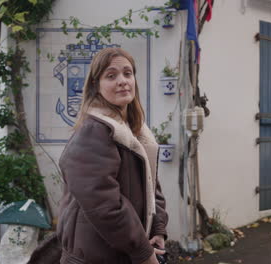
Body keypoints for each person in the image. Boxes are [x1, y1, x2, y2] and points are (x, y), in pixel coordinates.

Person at [28, 47, 169, 264]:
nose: (122, 80)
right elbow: (105, 205)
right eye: (111, 76)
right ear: (96, 85)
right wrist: (142, 251)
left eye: (127, 73)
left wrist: (157, 227)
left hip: (123, 251)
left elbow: (151, 184)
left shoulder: (136, 131)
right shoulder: (94, 132)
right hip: (95, 255)